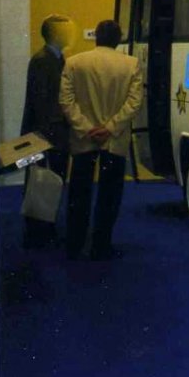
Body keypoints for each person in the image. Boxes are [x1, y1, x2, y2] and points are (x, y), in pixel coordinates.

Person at [59, 20, 142, 260]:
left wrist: (86, 128)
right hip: (114, 141)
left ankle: (74, 243)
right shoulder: (131, 65)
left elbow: (66, 101)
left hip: (83, 139)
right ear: (118, 39)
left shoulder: (74, 63)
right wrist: (110, 128)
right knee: (110, 194)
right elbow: (134, 103)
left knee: (79, 192)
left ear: (96, 37)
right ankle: (101, 244)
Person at [20, 13, 72, 249]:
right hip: (47, 134)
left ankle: (42, 228)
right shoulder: (45, 60)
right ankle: (39, 231)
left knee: (45, 182)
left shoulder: (53, 58)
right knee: (41, 181)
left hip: (49, 132)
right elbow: (42, 102)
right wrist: (46, 135)